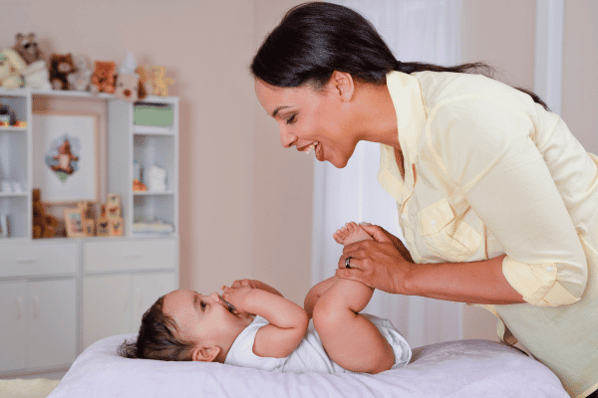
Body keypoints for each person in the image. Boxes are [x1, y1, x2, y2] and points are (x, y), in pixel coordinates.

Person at [251, 2, 598, 397]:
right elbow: (495, 249)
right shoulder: (399, 152)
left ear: (340, 85)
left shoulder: (463, 118)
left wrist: (403, 276)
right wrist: (401, 260)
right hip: (561, 363)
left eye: (290, 117)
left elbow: (557, 273)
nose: (285, 139)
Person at [119, 222, 412, 375]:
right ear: (206, 353)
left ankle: (356, 264)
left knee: (313, 301)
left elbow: (286, 311)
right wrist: (252, 297)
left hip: (353, 346)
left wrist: (258, 291)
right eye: (203, 305)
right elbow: (294, 322)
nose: (212, 295)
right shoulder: (246, 352)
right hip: (364, 359)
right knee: (326, 313)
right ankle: (363, 260)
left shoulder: (247, 339)